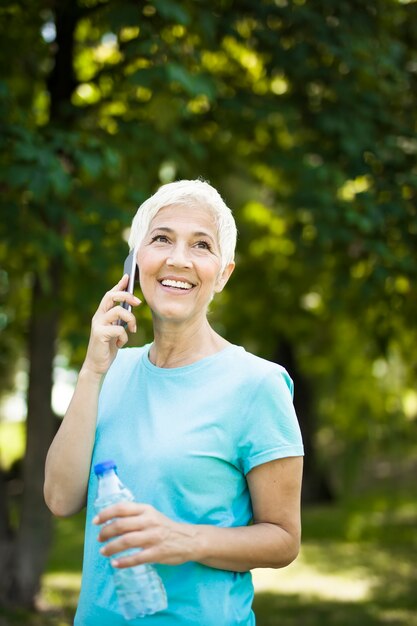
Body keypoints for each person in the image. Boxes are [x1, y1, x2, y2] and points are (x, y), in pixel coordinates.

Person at [44, 179, 304, 626]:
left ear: (223, 273)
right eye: (161, 238)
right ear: (135, 259)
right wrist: (90, 371)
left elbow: (283, 540)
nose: (178, 259)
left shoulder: (258, 384)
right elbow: (60, 498)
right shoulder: (109, 371)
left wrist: (185, 539)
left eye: (201, 245)